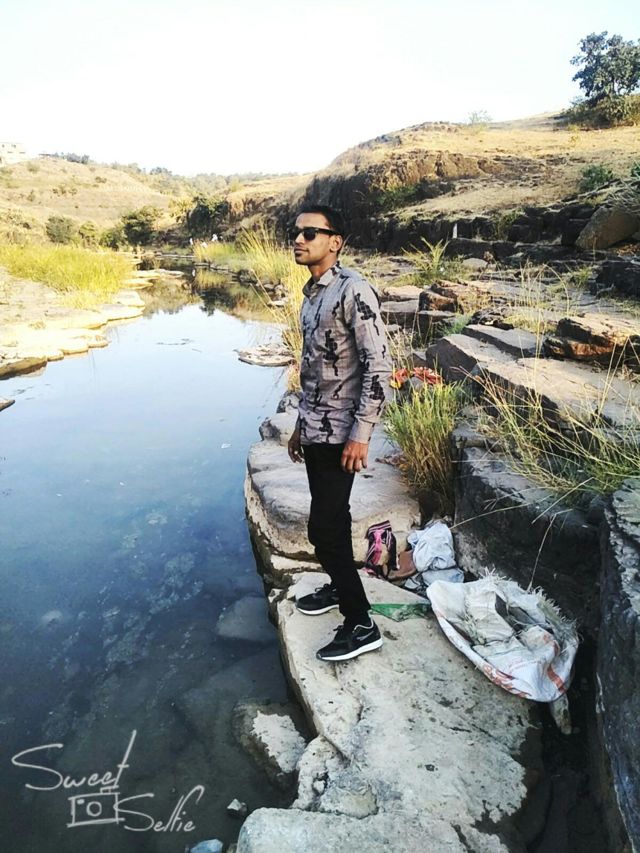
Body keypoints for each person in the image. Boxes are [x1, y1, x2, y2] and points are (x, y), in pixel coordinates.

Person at [287, 204, 391, 662]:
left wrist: (361, 434)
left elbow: (379, 366)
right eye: (296, 232)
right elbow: (313, 369)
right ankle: (337, 584)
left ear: (335, 242)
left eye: (310, 232)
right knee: (334, 518)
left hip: (340, 436)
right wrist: (299, 425)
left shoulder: (353, 290)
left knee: (323, 530)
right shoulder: (312, 294)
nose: (299, 239)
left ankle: (361, 623)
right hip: (315, 430)